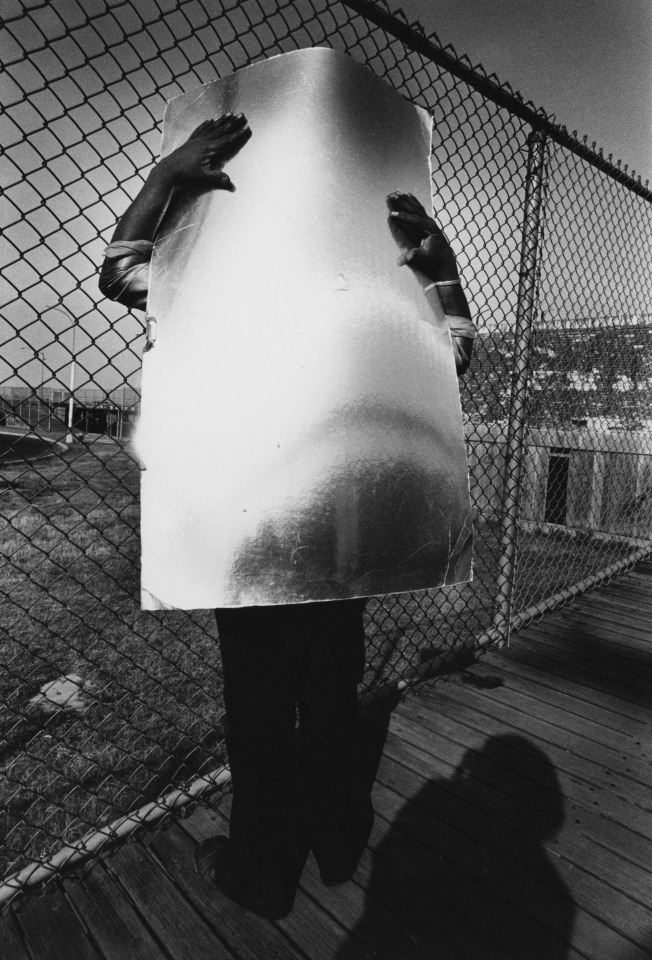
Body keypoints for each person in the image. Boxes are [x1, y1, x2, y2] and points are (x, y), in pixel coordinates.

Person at [99, 112, 475, 920]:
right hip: (342, 528)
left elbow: (121, 268)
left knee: (261, 704)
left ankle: (262, 872)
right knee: (333, 688)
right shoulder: (369, 303)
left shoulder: (225, 289)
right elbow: (455, 353)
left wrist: (169, 176)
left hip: (255, 530)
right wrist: (438, 269)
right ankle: (339, 842)